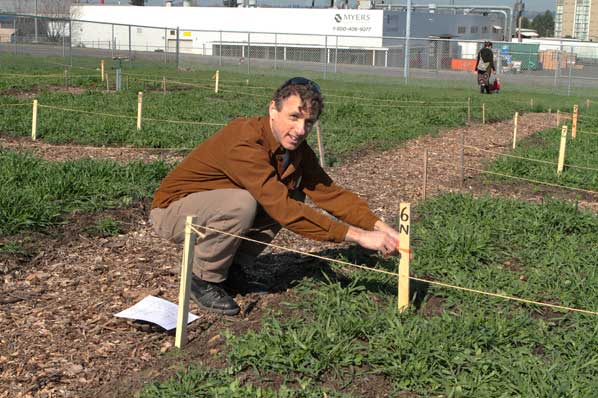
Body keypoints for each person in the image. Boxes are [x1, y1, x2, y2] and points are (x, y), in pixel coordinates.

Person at [150, 77, 402, 315]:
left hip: (212, 208)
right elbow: (282, 208)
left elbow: (329, 193)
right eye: (293, 117)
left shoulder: (296, 150)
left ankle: (232, 267)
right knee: (244, 204)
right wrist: (359, 237)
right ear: (273, 109)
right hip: (174, 212)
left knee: (290, 194)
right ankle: (203, 278)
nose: (300, 129)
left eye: (309, 122)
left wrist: (380, 226)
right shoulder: (245, 141)